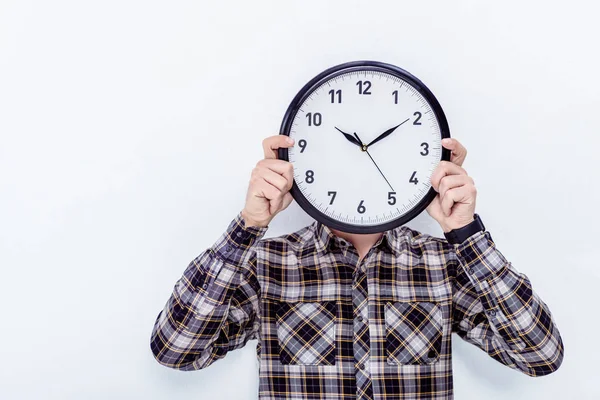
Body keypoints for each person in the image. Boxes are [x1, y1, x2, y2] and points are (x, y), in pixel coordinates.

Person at [150, 135, 564, 400]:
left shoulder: (443, 263)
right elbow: (175, 350)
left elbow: (540, 355)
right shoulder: (268, 264)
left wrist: (465, 233)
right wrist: (250, 225)